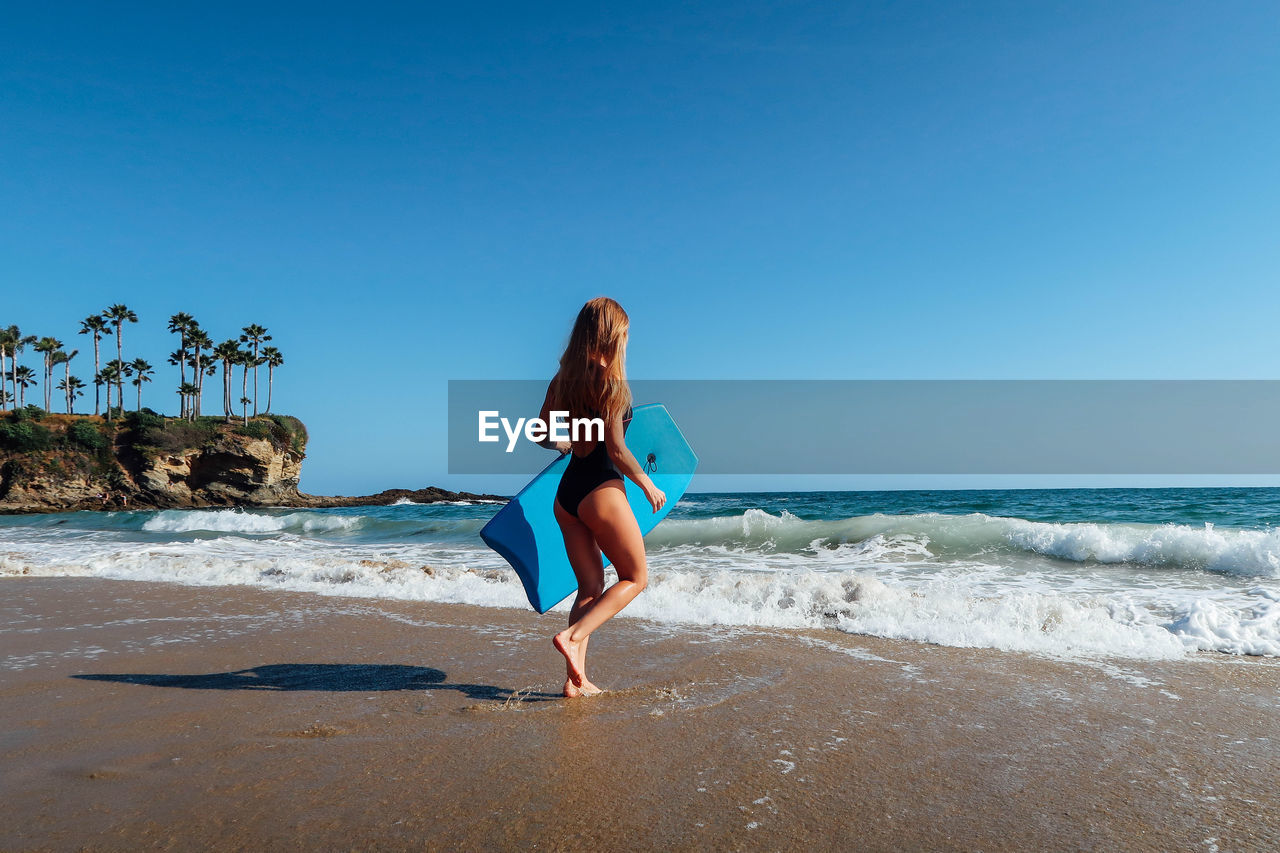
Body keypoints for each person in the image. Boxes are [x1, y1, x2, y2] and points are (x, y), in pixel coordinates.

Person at [536, 297, 665, 698]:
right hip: (601, 490)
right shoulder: (611, 383)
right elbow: (616, 450)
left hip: (568, 496)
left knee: (590, 588)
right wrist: (647, 483)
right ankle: (573, 637)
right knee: (635, 577)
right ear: (612, 336)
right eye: (623, 336)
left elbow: (542, 433)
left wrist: (567, 443)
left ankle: (575, 681)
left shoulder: (562, 380)